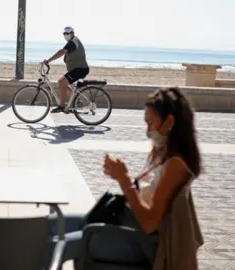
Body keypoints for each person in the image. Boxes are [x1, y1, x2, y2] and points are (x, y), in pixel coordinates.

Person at [45, 87, 203, 268]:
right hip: (126, 225)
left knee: (56, 244)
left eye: (151, 123)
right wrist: (119, 175)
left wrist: (124, 179)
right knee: (49, 225)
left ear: (169, 121)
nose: (148, 130)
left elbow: (149, 223)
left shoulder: (175, 165)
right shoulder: (163, 154)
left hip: (138, 241)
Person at [43, 26, 89, 113]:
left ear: (72, 33)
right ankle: (75, 100)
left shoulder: (72, 42)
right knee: (62, 83)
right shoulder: (72, 41)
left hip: (80, 69)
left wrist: (49, 60)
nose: (66, 35)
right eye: (64, 33)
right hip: (78, 69)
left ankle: (62, 106)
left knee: (61, 82)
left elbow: (61, 52)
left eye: (67, 33)